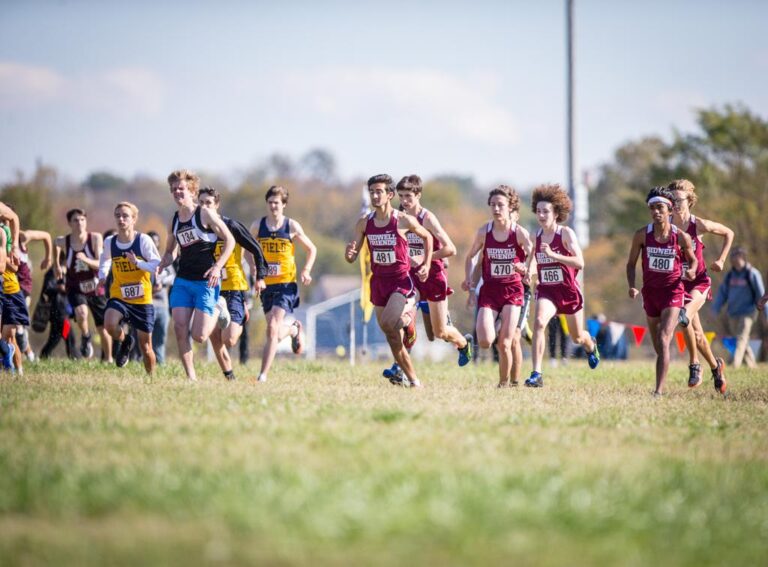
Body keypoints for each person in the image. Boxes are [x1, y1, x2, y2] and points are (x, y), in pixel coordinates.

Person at [346, 174, 433, 388]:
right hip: (378, 282)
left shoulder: (402, 220)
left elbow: (428, 237)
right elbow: (351, 256)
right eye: (372, 191)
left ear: (389, 195)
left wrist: (426, 264)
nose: (375, 196)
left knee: (387, 322)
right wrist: (349, 252)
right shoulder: (364, 223)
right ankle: (414, 381)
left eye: (379, 191)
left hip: (400, 282)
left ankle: (409, 318)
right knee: (392, 336)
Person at [382, 175, 472, 380]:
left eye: (409, 196)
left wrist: (424, 257)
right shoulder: (400, 218)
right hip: (410, 277)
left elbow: (451, 248)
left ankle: (464, 343)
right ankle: (399, 367)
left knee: (440, 333)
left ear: (418, 195)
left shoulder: (427, 218)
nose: (404, 201)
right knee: (402, 315)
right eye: (402, 196)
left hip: (433, 276)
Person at [156, 169, 235, 382]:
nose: (177, 193)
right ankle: (191, 379)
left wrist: (218, 267)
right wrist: (163, 262)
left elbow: (230, 240)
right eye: (173, 190)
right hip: (183, 281)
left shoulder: (204, 214)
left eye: (181, 189)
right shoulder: (173, 220)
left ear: (192, 191)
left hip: (206, 281)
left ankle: (219, 304)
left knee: (199, 336)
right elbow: (171, 251)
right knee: (180, 328)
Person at [525, 183, 600, 388]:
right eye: (538, 211)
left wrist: (554, 255)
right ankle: (536, 374)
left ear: (556, 212)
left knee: (577, 337)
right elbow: (533, 262)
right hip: (547, 291)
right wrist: (526, 272)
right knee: (540, 322)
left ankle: (590, 345)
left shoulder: (566, 234)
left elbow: (580, 262)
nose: (541, 215)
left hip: (568, 291)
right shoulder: (536, 236)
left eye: (546, 211)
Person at [627, 187, 697, 396]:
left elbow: (693, 260)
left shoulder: (681, 237)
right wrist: (631, 285)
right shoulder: (641, 235)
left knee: (664, 337)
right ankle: (665, 360)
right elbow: (630, 264)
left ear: (670, 211)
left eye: (660, 208)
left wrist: (692, 271)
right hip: (651, 294)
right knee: (659, 344)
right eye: (652, 208)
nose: (656, 212)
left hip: (673, 292)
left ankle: (658, 391)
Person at [462, 185, 532, 387]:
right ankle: (501, 325)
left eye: (500, 205)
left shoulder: (519, 233)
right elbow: (470, 257)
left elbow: (533, 256)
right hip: (490, 292)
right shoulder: (484, 231)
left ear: (510, 207)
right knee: (484, 341)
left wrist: (525, 268)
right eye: (492, 205)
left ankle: (506, 384)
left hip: (513, 292)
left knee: (505, 343)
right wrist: (469, 280)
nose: (496, 209)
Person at [669, 179, 733, 391]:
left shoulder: (699, 225)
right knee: (696, 334)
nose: (676, 204)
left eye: (679, 200)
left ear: (690, 201)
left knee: (683, 316)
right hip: (680, 284)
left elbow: (728, 233)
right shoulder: (667, 226)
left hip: (699, 282)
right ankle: (716, 367)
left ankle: (694, 364)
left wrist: (722, 260)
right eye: (672, 200)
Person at [198, 187, 267, 381]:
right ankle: (229, 376)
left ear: (217, 205)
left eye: (208, 203)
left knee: (229, 339)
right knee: (212, 335)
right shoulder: (197, 228)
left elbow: (255, 247)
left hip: (234, 286)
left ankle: (239, 319)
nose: (204, 207)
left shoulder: (231, 226)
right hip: (209, 287)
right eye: (201, 203)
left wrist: (260, 276)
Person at [251, 185, 316, 383]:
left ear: (284, 204)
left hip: (286, 284)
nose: (273, 206)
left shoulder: (291, 226)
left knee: (272, 327)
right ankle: (294, 329)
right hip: (265, 285)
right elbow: (247, 248)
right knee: (273, 331)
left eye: (277, 203)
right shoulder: (257, 226)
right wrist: (255, 270)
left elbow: (311, 249)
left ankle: (262, 375)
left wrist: (306, 270)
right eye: (270, 202)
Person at [97, 202, 161, 373]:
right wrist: (102, 276)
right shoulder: (110, 242)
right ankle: (125, 341)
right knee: (109, 325)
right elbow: (105, 260)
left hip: (142, 299)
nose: (121, 219)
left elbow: (156, 265)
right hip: (120, 295)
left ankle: (151, 379)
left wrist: (138, 263)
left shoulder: (143, 241)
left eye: (125, 215)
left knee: (146, 347)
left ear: (134, 219)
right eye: (117, 215)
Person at [54, 209, 111, 361]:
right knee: (81, 314)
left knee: (103, 328)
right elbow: (54, 242)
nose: (79, 223)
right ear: (69, 223)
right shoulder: (64, 241)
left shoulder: (95, 238)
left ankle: (109, 360)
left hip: (96, 287)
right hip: (75, 287)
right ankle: (86, 336)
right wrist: (56, 264)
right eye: (75, 220)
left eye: (82, 220)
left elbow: (100, 264)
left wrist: (85, 259)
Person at [712, 247, 766, 369]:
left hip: (749, 312)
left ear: (742, 257)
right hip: (733, 312)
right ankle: (752, 366)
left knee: (741, 337)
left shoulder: (752, 274)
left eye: (736, 256)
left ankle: (734, 364)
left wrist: (766, 312)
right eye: (732, 257)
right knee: (741, 339)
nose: (733, 259)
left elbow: (761, 294)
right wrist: (715, 309)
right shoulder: (729, 276)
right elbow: (722, 293)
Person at [1, 220, 31, 374]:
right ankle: (9, 368)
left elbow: (14, 266)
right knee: (5, 339)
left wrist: (3, 256)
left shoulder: (4, 234)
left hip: (11, 291)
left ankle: (18, 371)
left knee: (10, 336)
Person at [147, 230, 174, 364]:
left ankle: (161, 364)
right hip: (147, 305)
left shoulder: (165, 259)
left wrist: (161, 282)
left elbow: (172, 277)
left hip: (163, 307)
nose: (153, 244)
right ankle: (142, 362)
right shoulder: (141, 261)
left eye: (156, 241)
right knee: (145, 340)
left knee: (160, 340)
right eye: (150, 241)